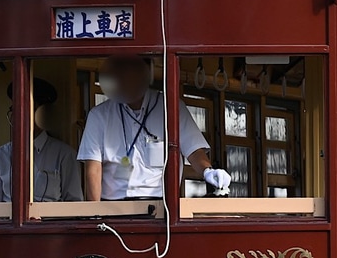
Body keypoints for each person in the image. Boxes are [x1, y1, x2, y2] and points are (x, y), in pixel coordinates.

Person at [79, 56, 231, 199]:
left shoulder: (171, 108)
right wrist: (95, 216)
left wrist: (208, 171)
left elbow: (194, 151)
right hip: (113, 204)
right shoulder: (99, 115)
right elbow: (93, 169)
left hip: (160, 205)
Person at [0, 78, 82, 202]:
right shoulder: (0, 156)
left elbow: (74, 204)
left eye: (26, 108)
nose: (19, 115)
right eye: (15, 109)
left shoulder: (64, 155)